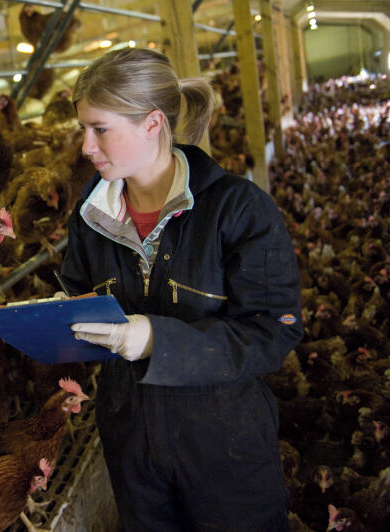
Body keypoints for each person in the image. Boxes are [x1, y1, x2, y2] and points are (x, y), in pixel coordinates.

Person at [60, 48, 303, 531]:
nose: (86, 146)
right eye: (83, 129)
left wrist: (156, 340)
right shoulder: (90, 217)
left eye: (100, 128)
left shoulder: (235, 209)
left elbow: (273, 332)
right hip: (131, 442)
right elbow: (78, 299)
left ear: (152, 124)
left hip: (223, 442)